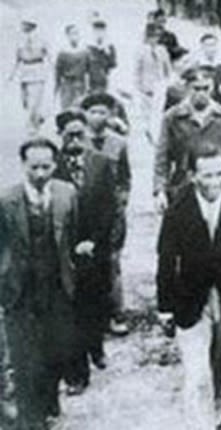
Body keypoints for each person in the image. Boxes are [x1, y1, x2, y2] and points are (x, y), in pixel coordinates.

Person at [156, 143, 221, 430]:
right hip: (192, 300)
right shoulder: (177, 213)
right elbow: (166, 261)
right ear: (192, 176)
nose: (214, 182)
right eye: (207, 175)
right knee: (197, 373)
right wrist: (165, 307)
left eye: (219, 174)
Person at [0, 138, 80, 429]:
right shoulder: (6, 201)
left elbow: (73, 237)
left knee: (55, 352)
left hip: (57, 289)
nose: (40, 173)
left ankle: (48, 406)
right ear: (23, 165)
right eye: (34, 167)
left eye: (46, 166)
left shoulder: (67, 194)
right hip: (20, 292)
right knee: (24, 360)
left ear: (55, 165)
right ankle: (29, 421)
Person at [53, 110, 117, 394]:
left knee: (96, 302)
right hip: (66, 252)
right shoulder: (52, 166)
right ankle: (77, 374)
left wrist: (95, 241)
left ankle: (96, 347)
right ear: (61, 136)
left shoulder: (101, 164)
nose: (76, 141)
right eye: (70, 136)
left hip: (96, 249)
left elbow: (109, 207)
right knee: (72, 311)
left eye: (81, 135)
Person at [80, 93, 132, 335]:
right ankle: (91, 314)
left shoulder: (118, 143)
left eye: (102, 112)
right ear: (85, 114)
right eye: (93, 112)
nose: (97, 117)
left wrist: (120, 201)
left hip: (111, 213)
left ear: (110, 115)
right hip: (84, 213)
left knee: (111, 262)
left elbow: (124, 178)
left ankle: (115, 313)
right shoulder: (77, 141)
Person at [154, 66, 221, 213]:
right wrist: (160, 191)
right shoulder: (173, 117)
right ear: (187, 88)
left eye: (206, 88)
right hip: (183, 185)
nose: (201, 93)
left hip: (216, 185)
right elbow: (162, 158)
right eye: (196, 89)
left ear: (212, 87)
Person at [8, 18, 50, 132]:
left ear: (30, 25)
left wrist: (51, 71)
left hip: (38, 71)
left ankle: (32, 125)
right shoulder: (20, 40)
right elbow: (16, 59)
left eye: (24, 24)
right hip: (25, 72)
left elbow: (49, 55)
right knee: (25, 102)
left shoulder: (41, 39)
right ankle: (38, 117)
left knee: (35, 101)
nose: (22, 26)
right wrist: (11, 75)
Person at [134, 22, 172, 144]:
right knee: (146, 111)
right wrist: (139, 86)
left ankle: (155, 133)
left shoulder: (162, 50)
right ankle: (147, 132)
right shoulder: (141, 51)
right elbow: (137, 70)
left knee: (157, 111)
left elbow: (167, 68)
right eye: (151, 36)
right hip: (146, 85)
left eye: (156, 36)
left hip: (159, 84)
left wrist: (166, 82)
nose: (154, 39)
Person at [55, 24, 91, 109]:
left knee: (81, 107)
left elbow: (88, 70)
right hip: (67, 85)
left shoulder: (85, 52)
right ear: (67, 36)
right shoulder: (63, 53)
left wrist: (88, 86)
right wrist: (57, 87)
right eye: (72, 33)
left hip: (80, 83)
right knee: (67, 108)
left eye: (77, 33)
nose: (75, 36)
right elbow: (58, 72)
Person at [86, 18, 117, 94]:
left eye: (101, 31)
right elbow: (85, 69)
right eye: (97, 31)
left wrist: (107, 52)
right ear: (93, 32)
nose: (99, 34)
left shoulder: (110, 48)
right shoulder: (89, 49)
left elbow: (113, 65)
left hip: (105, 84)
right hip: (91, 85)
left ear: (105, 32)